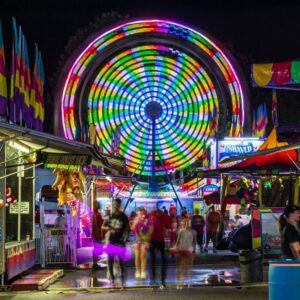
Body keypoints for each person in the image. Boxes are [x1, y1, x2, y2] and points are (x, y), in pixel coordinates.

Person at [102, 198, 129, 288]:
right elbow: (103, 226)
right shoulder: (110, 216)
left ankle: (122, 280)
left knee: (121, 262)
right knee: (110, 261)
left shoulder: (123, 217)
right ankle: (112, 280)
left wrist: (125, 239)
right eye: (113, 205)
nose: (114, 207)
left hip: (120, 242)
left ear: (119, 206)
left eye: (116, 205)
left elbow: (127, 229)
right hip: (111, 241)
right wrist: (109, 229)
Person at [149, 208, 169, 289]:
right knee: (156, 260)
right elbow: (167, 226)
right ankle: (157, 280)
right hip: (155, 241)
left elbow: (167, 226)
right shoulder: (154, 218)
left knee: (158, 260)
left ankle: (158, 280)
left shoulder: (158, 218)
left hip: (158, 241)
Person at [131, 207, 153, 280]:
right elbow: (132, 229)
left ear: (144, 213)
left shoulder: (147, 220)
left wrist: (147, 238)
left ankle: (143, 271)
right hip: (136, 239)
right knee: (137, 256)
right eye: (139, 213)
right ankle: (137, 271)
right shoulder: (135, 219)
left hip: (144, 239)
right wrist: (136, 221)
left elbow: (151, 229)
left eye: (142, 213)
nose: (140, 214)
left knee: (143, 255)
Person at [175, 218, 196, 289]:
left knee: (189, 266)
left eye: (189, 223)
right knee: (182, 265)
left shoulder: (193, 232)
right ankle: (182, 281)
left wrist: (194, 251)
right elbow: (178, 241)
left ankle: (189, 282)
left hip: (189, 250)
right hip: (182, 249)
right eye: (186, 223)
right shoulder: (181, 231)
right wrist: (176, 248)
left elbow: (194, 243)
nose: (187, 224)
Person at [92, 203, 104, 270]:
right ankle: (95, 264)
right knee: (98, 249)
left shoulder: (93, 215)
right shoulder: (98, 215)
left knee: (96, 249)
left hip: (95, 234)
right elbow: (100, 225)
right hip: (98, 234)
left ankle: (95, 263)